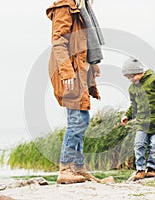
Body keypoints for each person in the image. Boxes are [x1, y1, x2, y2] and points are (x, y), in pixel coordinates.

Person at [46, 0, 105, 184]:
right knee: (76, 119)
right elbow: (58, 41)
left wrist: (92, 64)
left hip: (79, 68)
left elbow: (83, 41)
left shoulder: (82, 7)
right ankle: (65, 168)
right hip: (68, 69)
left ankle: (78, 168)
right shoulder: (65, 7)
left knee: (82, 117)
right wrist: (66, 71)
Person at [120, 58, 155, 181]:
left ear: (140, 72)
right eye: (128, 78)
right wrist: (127, 116)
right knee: (139, 144)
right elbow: (134, 105)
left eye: (132, 76)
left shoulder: (154, 79)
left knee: (154, 145)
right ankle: (140, 169)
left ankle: (151, 169)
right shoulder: (132, 88)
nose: (131, 80)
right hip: (142, 122)